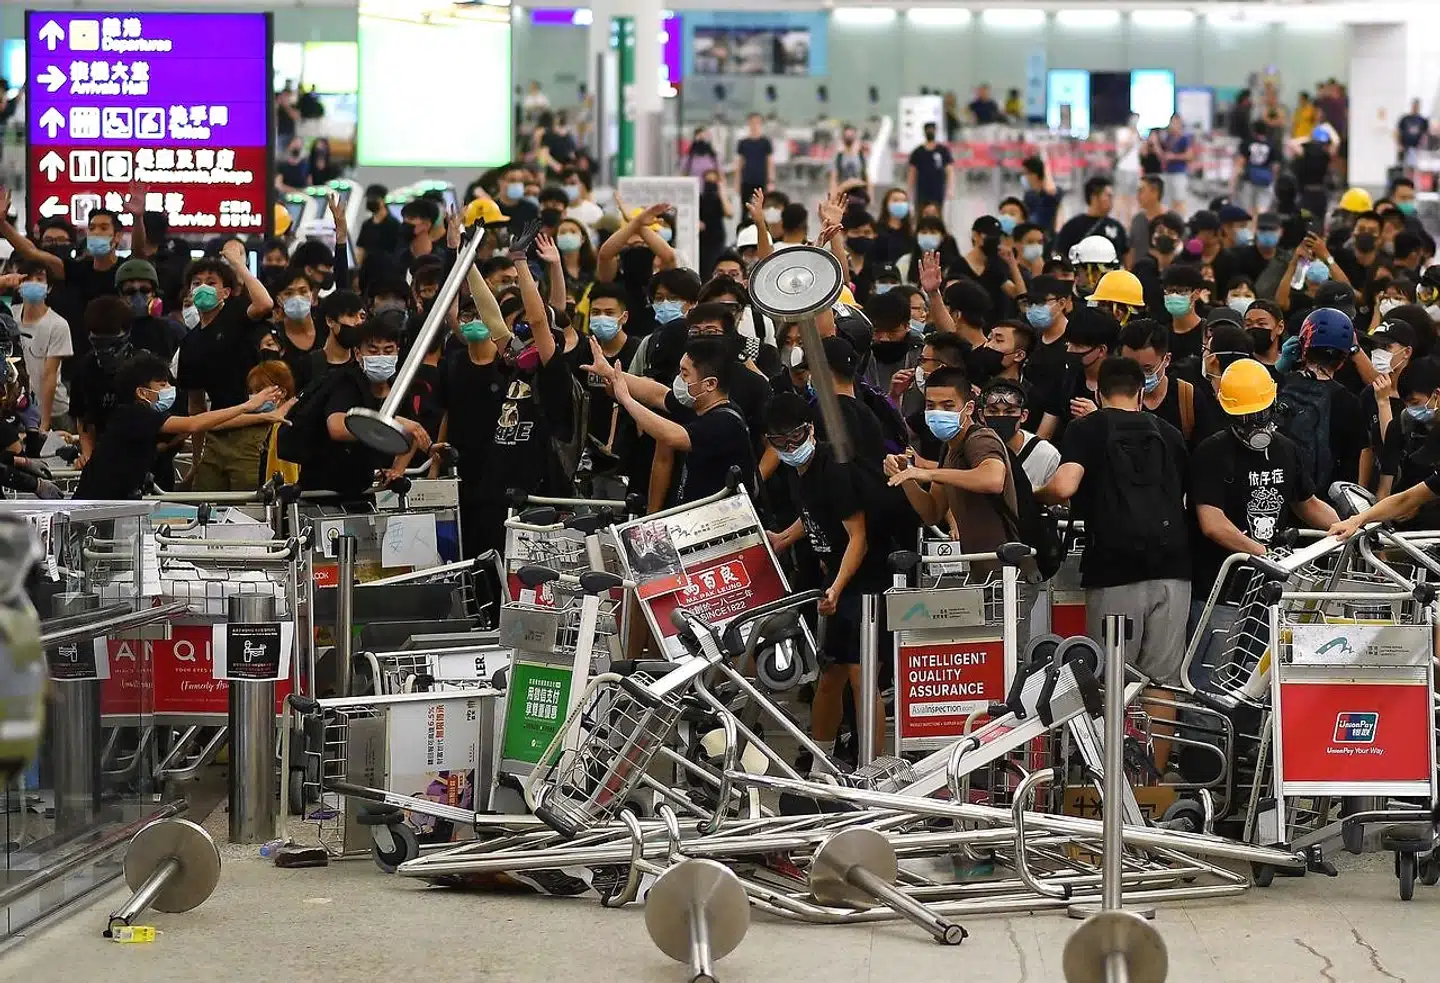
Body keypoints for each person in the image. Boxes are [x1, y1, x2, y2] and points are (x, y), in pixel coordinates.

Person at [1036, 356, 1190, 692]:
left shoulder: (1085, 428)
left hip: (1114, 567)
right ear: (1140, 392)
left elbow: (1064, 487)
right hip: (1174, 568)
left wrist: (1033, 495)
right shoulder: (1169, 433)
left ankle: (1115, 746)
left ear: (1098, 393)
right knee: (1164, 683)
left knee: (1112, 679)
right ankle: (1154, 746)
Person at [763, 392, 889, 767]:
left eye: (796, 439)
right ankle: (822, 761)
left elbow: (859, 537)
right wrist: (785, 537)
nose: (789, 448)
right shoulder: (798, 470)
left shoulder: (835, 468)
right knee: (830, 671)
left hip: (867, 582)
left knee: (861, 674)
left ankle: (873, 768)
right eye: (779, 442)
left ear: (811, 430)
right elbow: (816, 513)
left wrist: (836, 587)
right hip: (837, 579)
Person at [1191, 364, 1342, 602]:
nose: (1254, 424)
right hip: (1221, 589)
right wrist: (1262, 553)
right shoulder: (1211, 452)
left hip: (1271, 589)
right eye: (1244, 417)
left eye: (1260, 414)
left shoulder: (1286, 448)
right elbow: (1213, 523)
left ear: (1273, 406)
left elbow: (1307, 503)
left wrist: (1348, 529)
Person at [74, 352, 282, 500]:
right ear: (142, 393)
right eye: (162, 385)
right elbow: (195, 424)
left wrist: (266, 416)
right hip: (96, 502)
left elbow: (208, 422)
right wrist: (248, 405)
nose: (169, 389)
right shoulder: (134, 415)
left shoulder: (139, 418)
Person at [588, 334, 757, 505]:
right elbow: (658, 394)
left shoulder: (726, 422)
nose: (679, 380)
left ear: (710, 384)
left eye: (685, 374)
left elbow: (672, 435)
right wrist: (610, 372)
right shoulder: (697, 405)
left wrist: (626, 399)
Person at [176, 243, 276, 491]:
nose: (202, 288)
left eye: (211, 283)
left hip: (253, 427)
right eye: (196, 283)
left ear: (226, 292)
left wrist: (238, 264)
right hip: (217, 431)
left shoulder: (235, 314)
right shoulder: (189, 342)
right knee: (207, 504)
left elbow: (264, 303)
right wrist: (197, 459)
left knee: (248, 505)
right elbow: (196, 407)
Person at [1276, 306, 1367, 489]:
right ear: (1343, 360)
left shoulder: (1280, 385)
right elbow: (1352, 461)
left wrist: (1279, 369)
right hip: (1324, 502)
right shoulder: (1349, 402)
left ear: (1302, 347)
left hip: (1277, 493)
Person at [1036, 306, 1120, 442]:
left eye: (1078, 346)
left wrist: (1096, 418)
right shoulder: (1065, 377)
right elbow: (1045, 432)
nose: (1070, 350)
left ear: (1101, 350)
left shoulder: (1123, 383)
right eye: (1069, 343)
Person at [6, 261, 72, 433]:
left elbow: (50, 376)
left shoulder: (58, 325)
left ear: (48, 288)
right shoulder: (9, 316)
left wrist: (44, 422)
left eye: (39, 279)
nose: (33, 283)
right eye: (28, 278)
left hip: (54, 411)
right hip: (17, 406)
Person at [1118, 318, 1196, 445]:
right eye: (1130, 367)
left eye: (1147, 369)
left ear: (1166, 359)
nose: (1138, 376)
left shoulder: (1188, 397)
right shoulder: (1113, 397)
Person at [979, 377, 1059, 489]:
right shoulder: (972, 448)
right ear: (981, 415)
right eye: (993, 411)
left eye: (1009, 412)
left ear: (1023, 416)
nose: (1001, 417)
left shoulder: (1046, 455)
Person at [1054, 177, 1128, 261]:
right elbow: (1060, 255)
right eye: (1108, 196)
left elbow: (1126, 258)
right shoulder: (1072, 226)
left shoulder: (1117, 227)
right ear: (1094, 197)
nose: (1111, 200)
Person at [1232, 120, 1279, 215]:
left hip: (1249, 179)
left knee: (1247, 208)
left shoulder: (1247, 143)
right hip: (1265, 180)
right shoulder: (1272, 144)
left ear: (1253, 130)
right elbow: (1275, 167)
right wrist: (1274, 180)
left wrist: (1233, 183)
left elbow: (1240, 164)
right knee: (1262, 208)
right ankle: (1258, 226)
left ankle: (1249, 228)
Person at [907, 122, 954, 208]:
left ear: (936, 131)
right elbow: (912, 172)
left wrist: (950, 188)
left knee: (937, 211)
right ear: (924, 132)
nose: (930, 132)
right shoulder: (917, 152)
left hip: (938, 189)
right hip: (922, 189)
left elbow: (949, 171)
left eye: (932, 130)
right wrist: (909, 191)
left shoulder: (943, 150)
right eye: (928, 130)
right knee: (921, 211)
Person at [735, 113, 775, 208]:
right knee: (745, 209)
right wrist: (736, 182)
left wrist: (771, 181)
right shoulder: (743, 143)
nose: (755, 125)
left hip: (761, 180)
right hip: (746, 180)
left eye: (757, 123)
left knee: (761, 208)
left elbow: (770, 163)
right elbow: (739, 164)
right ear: (748, 124)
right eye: (752, 122)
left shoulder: (765, 142)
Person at [1159, 114, 1195, 214]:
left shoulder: (1184, 138)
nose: (1174, 125)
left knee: (1179, 200)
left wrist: (1174, 156)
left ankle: (1182, 222)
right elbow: (1163, 155)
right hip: (1167, 173)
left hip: (1179, 173)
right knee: (1168, 201)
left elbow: (1189, 156)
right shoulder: (1168, 138)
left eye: (1176, 123)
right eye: (1173, 123)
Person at [1021, 155, 1063, 235]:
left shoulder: (1054, 194)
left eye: (1026, 173)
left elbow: (1052, 192)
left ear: (1035, 175)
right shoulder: (1029, 196)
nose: (1024, 177)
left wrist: (1045, 172)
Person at [1129, 176, 1166, 262]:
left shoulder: (1171, 221)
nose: (1138, 195)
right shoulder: (1137, 219)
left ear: (1155, 192)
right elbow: (1131, 250)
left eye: (1141, 191)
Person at [830, 125, 871, 202]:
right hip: (843, 193)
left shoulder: (861, 156)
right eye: (847, 135)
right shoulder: (838, 157)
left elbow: (867, 177)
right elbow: (834, 178)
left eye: (851, 135)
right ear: (842, 138)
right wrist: (833, 196)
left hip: (859, 193)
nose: (849, 137)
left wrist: (869, 195)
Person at [1397, 98, 1429, 174]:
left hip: (1416, 147)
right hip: (1405, 147)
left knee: (1414, 167)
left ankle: (1413, 183)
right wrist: (1399, 145)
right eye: (1414, 105)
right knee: (1403, 166)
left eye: (1417, 106)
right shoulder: (1405, 119)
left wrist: (1423, 145)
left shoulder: (1422, 120)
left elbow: (1425, 134)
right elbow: (1398, 132)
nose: (1415, 107)